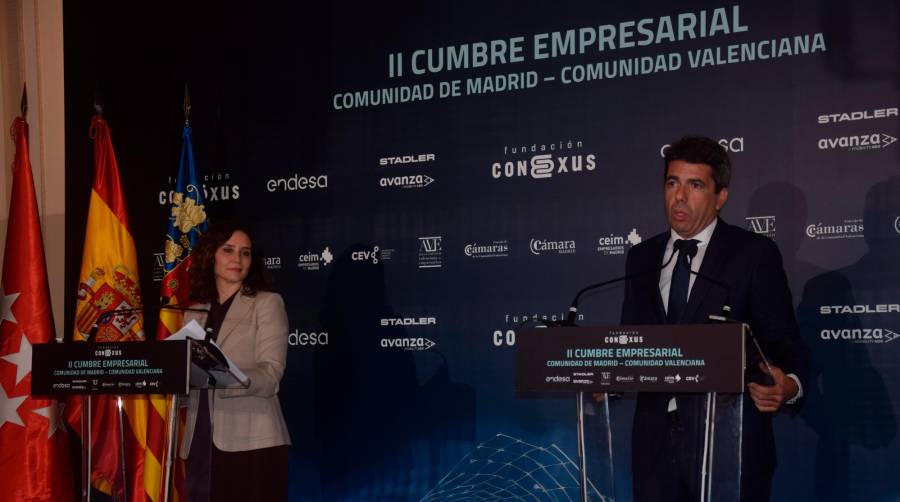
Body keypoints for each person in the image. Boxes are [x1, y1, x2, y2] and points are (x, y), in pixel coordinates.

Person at [621, 136, 809, 502]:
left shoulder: (753, 254)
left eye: (695, 185)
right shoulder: (641, 258)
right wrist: (608, 378)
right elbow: (632, 342)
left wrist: (790, 385)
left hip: (730, 450)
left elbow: (786, 341)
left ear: (720, 196)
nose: (679, 197)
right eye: (672, 182)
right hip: (654, 453)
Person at [179, 221, 291, 502]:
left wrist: (228, 376)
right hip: (199, 439)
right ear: (210, 255)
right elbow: (184, 378)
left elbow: (271, 374)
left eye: (245, 253)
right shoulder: (194, 311)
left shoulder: (267, 303)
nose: (238, 259)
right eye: (228, 250)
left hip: (252, 440)